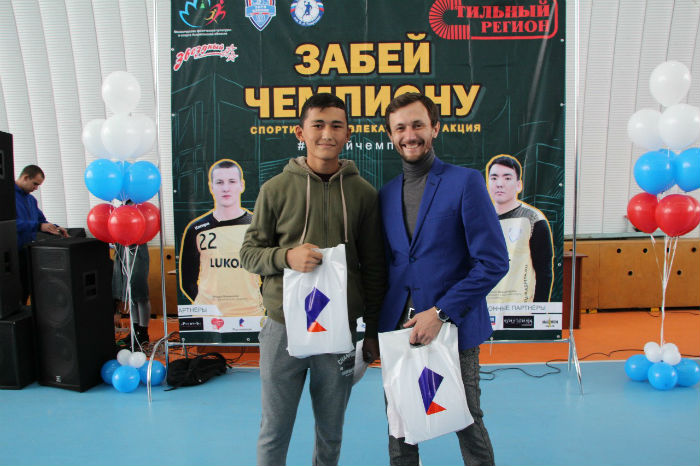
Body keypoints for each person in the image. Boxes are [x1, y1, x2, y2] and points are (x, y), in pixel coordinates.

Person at [240, 93, 386, 466]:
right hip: (283, 328)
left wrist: (372, 330)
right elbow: (249, 254)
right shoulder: (275, 190)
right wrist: (286, 257)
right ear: (300, 132)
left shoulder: (364, 194)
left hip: (339, 331)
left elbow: (374, 268)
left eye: (336, 126)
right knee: (274, 430)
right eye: (317, 125)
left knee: (331, 431)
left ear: (348, 134)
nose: (327, 134)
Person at [378, 93, 509, 466]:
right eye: (400, 128)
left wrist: (441, 312)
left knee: (466, 419)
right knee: (400, 423)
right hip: (399, 330)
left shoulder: (465, 182)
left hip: (453, 327)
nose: (409, 135)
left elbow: (493, 261)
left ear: (435, 128)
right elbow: (388, 267)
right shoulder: (385, 195)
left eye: (418, 125)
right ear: (391, 135)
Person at [179, 159, 264, 316]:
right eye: (219, 182)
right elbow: (187, 281)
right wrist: (207, 307)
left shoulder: (257, 226)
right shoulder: (196, 230)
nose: (226, 188)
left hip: (249, 315)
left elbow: (268, 276)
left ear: (241, 185)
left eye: (232, 181)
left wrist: (256, 302)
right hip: (209, 317)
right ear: (211, 187)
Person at [486, 155, 554, 303]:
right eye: (494, 178)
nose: (499, 184)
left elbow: (544, 272)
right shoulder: (478, 219)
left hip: (521, 307)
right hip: (486, 307)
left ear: (519, 185)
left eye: (507, 178)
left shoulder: (534, 219)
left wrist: (538, 309)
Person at [15, 165, 68, 303]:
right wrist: (38, 226)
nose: (36, 188)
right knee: (14, 293)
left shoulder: (31, 200)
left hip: (28, 252)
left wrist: (55, 227)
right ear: (25, 177)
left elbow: (41, 221)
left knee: (27, 289)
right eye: (35, 184)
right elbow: (11, 224)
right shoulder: (7, 196)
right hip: (12, 254)